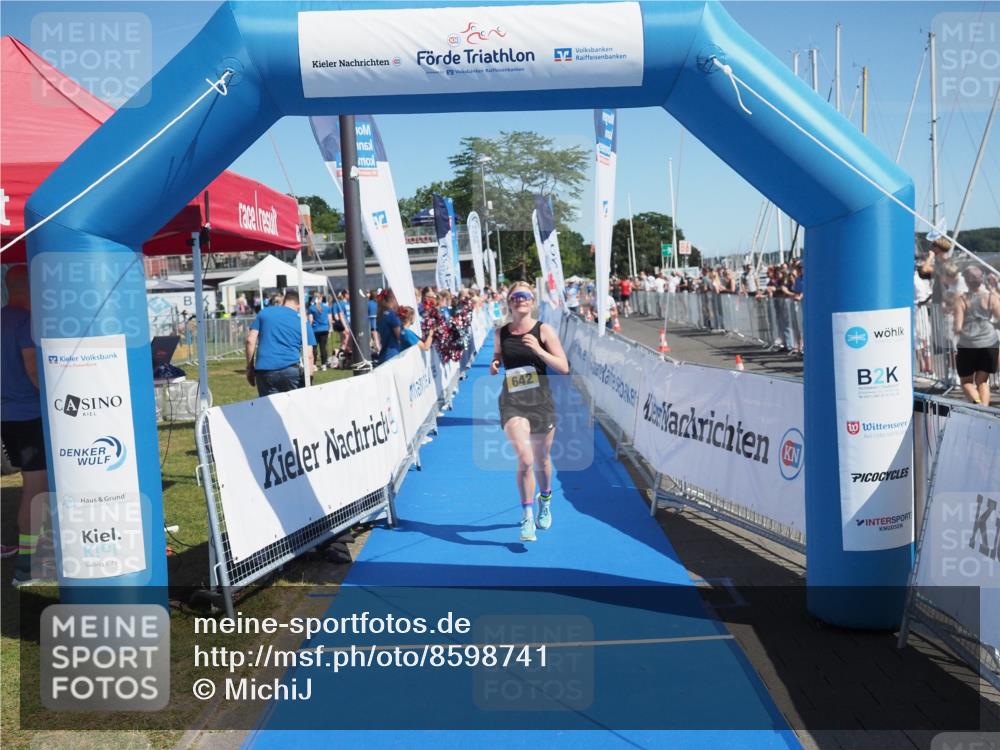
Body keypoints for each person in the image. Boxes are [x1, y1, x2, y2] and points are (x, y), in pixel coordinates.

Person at [491, 282, 569, 543]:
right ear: (509, 302)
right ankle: (527, 515)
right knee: (525, 459)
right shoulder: (501, 332)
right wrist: (495, 363)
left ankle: (545, 500)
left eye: (525, 296)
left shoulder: (544, 330)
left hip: (541, 403)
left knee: (542, 459)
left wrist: (538, 349)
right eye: (516, 297)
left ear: (532, 301)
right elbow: (499, 356)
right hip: (512, 401)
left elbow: (564, 367)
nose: (521, 300)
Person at [1, 267, 50, 586]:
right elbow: (34, 371)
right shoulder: (24, 322)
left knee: (34, 487)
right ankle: (27, 566)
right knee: (35, 489)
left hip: (8, 416)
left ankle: (35, 553)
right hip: (30, 415)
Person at [245, 290, 316, 396]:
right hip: (291, 370)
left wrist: (250, 368)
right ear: (299, 305)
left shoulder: (264, 313)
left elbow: (250, 340)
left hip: (265, 371)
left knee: (269, 409)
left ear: (284, 301)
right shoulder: (303, 321)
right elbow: (309, 355)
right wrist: (309, 377)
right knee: (294, 408)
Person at [953, 265, 1000, 405]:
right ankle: (984, 411)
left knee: (966, 382)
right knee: (982, 382)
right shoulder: (992, 298)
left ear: (967, 281)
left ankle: (978, 404)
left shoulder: (961, 299)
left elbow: (957, 326)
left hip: (968, 344)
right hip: (989, 343)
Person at [376, 290, 403, 365]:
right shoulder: (392, 315)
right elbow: (400, 336)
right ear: (393, 299)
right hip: (393, 355)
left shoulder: (381, 314)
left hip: (384, 355)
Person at [308, 292, 332, 371]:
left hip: (315, 330)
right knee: (323, 348)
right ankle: (323, 365)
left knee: (314, 348)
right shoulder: (327, 307)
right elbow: (330, 319)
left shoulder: (311, 308)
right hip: (325, 329)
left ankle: (314, 365)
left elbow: (311, 321)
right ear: (321, 298)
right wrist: (330, 328)